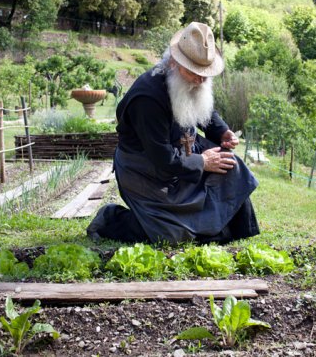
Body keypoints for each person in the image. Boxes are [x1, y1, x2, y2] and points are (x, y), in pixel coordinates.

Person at [87, 22, 259, 244]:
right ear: (174, 63)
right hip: (146, 171)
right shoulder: (147, 99)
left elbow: (202, 108)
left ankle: (226, 229)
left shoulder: (191, 79)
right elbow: (162, 158)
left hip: (185, 154)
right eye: (195, 72)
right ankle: (111, 219)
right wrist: (202, 162)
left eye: (205, 73)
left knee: (232, 167)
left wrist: (222, 130)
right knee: (171, 235)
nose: (201, 79)